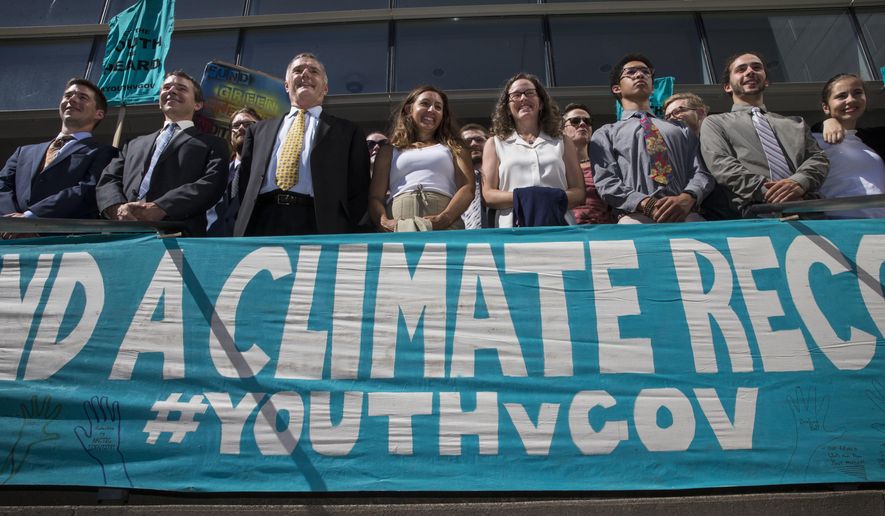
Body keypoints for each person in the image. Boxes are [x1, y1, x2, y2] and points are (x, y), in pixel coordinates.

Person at [234, 53, 370, 236]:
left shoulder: (348, 132)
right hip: (262, 221)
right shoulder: (257, 131)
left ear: (325, 88)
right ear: (286, 85)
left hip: (319, 223)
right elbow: (244, 184)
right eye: (298, 70)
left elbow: (358, 190)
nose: (305, 74)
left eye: (313, 71)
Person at [97, 71, 229, 237]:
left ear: (198, 104)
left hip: (178, 235)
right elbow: (108, 179)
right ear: (159, 101)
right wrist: (118, 209)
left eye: (181, 88)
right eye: (166, 87)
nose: (171, 91)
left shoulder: (213, 144)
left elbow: (212, 183)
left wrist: (162, 207)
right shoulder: (133, 144)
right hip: (121, 234)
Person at [699, 52, 828, 217]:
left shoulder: (796, 123)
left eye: (756, 67)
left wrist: (799, 183)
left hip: (809, 211)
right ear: (727, 86)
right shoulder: (715, 123)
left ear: (766, 80)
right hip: (756, 216)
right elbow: (722, 165)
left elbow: (818, 159)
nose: (750, 72)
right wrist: (772, 193)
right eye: (741, 69)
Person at [590, 54, 713, 224]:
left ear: (653, 88)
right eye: (630, 72)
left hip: (686, 215)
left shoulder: (681, 128)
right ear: (617, 88)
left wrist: (688, 197)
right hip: (636, 218)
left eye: (645, 72)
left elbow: (702, 170)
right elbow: (606, 181)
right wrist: (645, 203)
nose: (639, 75)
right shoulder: (606, 133)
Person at [0, 78, 116, 238]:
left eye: (82, 97)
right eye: (68, 95)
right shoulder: (23, 152)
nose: (72, 99)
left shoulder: (105, 153)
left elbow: (87, 190)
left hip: (62, 243)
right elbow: (2, 186)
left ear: (99, 113)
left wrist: (30, 218)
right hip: (8, 238)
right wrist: (11, 222)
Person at [482, 73, 584, 228]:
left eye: (529, 93)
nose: (523, 98)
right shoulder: (494, 143)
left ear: (541, 103)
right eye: (516, 95)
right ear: (508, 108)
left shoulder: (563, 141)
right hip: (512, 229)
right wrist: (528, 197)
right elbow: (488, 195)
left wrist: (543, 198)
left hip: (559, 226)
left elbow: (579, 193)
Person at [368, 85, 474, 232]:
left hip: (446, 224)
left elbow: (467, 188)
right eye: (425, 104)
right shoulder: (388, 151)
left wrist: (445, 218)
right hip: (398, 226)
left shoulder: (455, 147)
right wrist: (384, 222)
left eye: (438, 107)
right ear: (408, 109)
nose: (431, 110)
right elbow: (375, 197)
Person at [812, 73, 885, 218]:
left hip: (879, 229)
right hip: (844, 228)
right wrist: (824, 123)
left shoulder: (872, 141)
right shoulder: (813, 140)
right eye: (841, 96)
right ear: (826, 107)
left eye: (857, 93)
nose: (851, 100)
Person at [207, 107, 261, 236]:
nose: (241, 128)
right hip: (212, 244)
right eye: (236, 125)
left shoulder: (269, 173)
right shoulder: (215, 173)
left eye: (248, 124)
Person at [561, 103, 613, 224]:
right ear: (562, 129)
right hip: (565, 233)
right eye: (575, 121)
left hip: (601, 234)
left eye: (587, 121)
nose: (582, 124)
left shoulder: (604, 166)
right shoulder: (555, 167)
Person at [459, 123, 489, 229]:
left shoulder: (502, 175)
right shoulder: (453, 179)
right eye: (467, 141)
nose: (473, 144)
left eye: (479, 140)